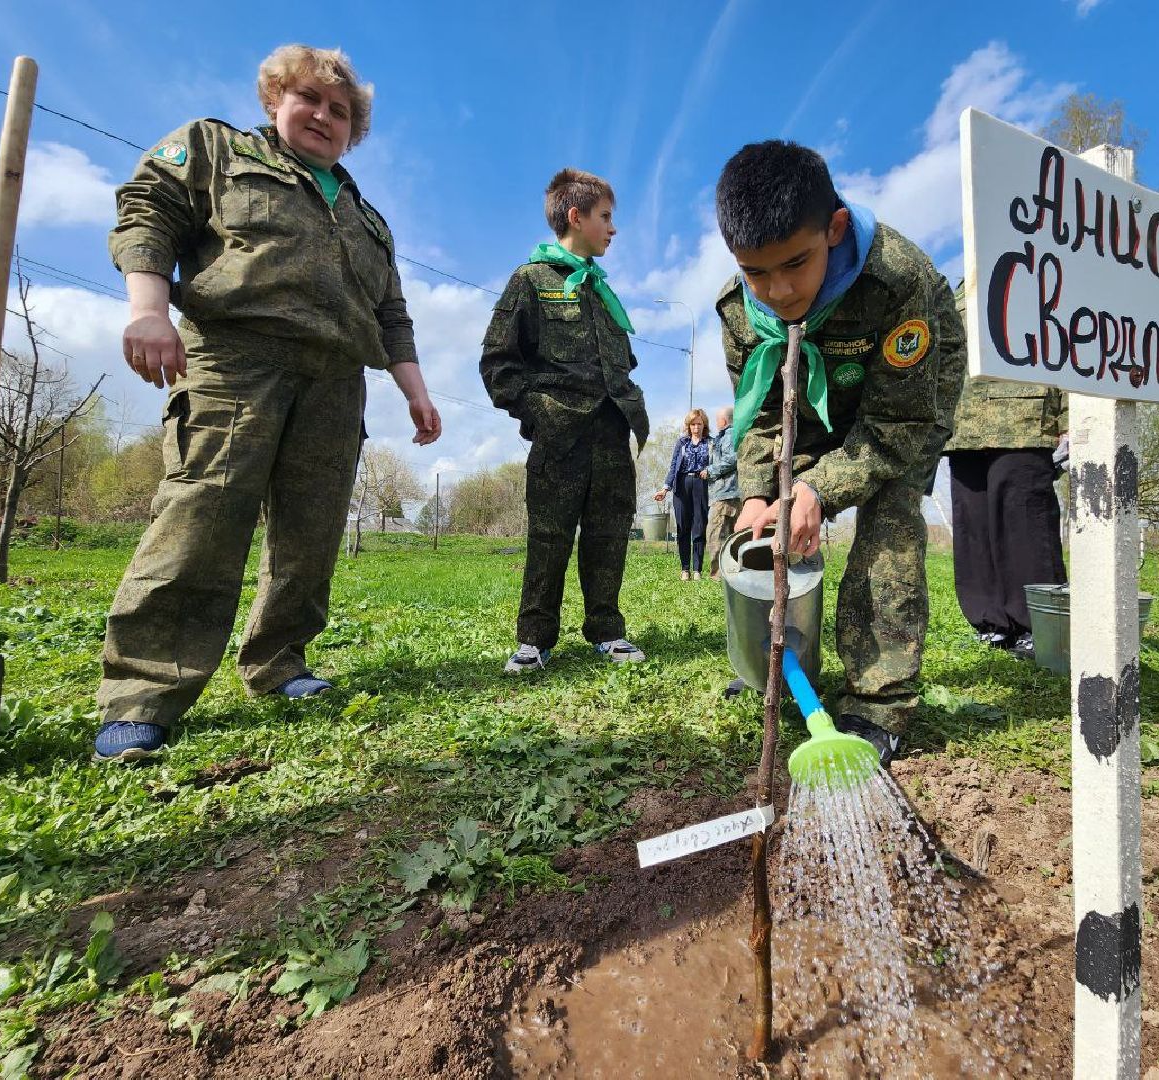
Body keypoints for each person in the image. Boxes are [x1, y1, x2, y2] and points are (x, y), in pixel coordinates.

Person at [94, 45, 441, 762]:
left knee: (309, 539)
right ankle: (142, 696)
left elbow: (392, 313)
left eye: (340, 111)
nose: (324, 116)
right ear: (275, 99)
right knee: (202, 519)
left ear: (354, 131)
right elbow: (148, 213)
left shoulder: (369, 218)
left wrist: (415, 390)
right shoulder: (215, 149)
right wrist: (149, 310)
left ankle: (279, 663)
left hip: (336, 380)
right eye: (309, 99)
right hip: (233, 358)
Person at [714, 140, 965, 766]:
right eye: (755, 272)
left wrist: (818, 489)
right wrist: (757, 493)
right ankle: (768, 665)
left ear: (835, 228)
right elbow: (764, 413)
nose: (776, 290)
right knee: (767, 529)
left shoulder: (899, 282)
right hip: (810, 400)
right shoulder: (740, 310)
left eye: (795, 264)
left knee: (889, 518)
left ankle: (878, 702)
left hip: (902, 400)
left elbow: (898, 422)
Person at [481, 168, 649, 674]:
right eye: (605, 217)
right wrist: (541, 413)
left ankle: (607, 631)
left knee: (609, 532)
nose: (613, 229)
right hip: (560, 435)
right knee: (549, 536)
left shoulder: (600, 290)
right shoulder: (530, 280)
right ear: (575, 217)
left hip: (611, 431)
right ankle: (534, 639)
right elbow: (498, 363)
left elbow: (620, 362)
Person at [943, 282, 1067, 660]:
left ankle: (1039, 627)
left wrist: (1069, 416)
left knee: (1024, 527)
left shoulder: (1045, 279)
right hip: (963, 425)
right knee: (973, 530)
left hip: (1024, 421)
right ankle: (991, 624)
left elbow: (1070, 343)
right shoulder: (955, 292)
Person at [653, 409, 712, 580]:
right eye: (693, 424)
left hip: (701, 484)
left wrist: (710, 470)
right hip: (681, 485)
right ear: (688, 426)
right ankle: (685, 569)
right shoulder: (681, 443)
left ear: (704, 425)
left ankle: (697, 570)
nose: (696, 427)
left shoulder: (710, 443)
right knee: (683, 527)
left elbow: (716, 463)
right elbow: (673, 466)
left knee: (699, 527)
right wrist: (665, 489)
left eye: (699, 424)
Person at [704, 405, 742, 579]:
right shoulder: (732, 435)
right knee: (733, 536)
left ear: (723, 420)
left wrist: (710, 470)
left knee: (715, 535)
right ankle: (734, 574)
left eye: (717, 419)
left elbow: (731, 458)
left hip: (726, 493)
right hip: (731, 493)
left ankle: (718, 575)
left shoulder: (729, 435)